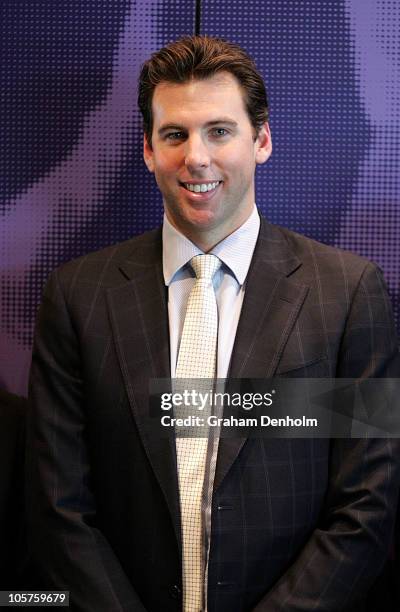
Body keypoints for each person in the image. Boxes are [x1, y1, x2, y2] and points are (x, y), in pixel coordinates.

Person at [27, 35, 400, 611]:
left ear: (262, 140)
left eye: (219, 131)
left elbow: (366, 506)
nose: (195, 157)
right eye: (174, 134)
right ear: (148, 151)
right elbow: (59, 506)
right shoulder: (79, 296)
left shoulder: (348, 293)